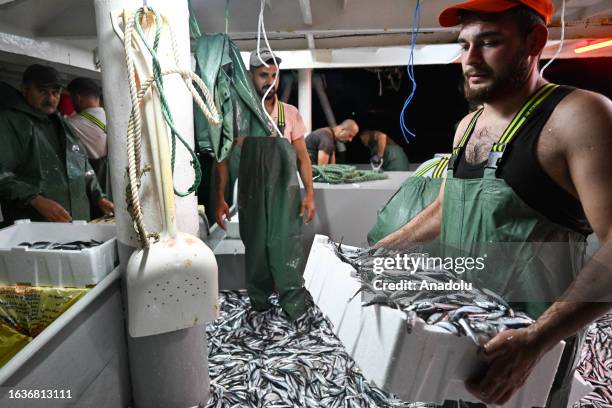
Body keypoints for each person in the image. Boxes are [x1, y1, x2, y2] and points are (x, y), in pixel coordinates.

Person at [375, 1, 612, 406]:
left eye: (489, 42)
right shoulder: (467, 127)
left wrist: (536, 341)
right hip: (458, 336)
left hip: (528, 349)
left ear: (534, 41)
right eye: (464, 44)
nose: (469, 59)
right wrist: (376, 255)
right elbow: (442, 210)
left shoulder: (579, 115)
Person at [214, 49, 316, 321]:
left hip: (286, 196)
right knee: (256, 249)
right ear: (250, 77)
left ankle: (294, 307)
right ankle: (259, 305)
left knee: (286, 249)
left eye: (274, 76)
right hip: (252, 197)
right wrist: (220, 198)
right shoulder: (238, 113)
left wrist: (310, 196)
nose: (269, 81)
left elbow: (303, 158)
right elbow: (222, 157)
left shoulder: (289, 114)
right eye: (262, 75)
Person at [0, 65, 113, 227]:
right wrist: (36, 200)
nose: (51, 98)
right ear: (24, 89)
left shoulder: (62, 123)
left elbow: (83, 164)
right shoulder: (9, 122)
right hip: (36, 227)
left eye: (55, 92)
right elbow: (2, 175)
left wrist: (98, 196)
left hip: (79, 223)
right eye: (43, 91)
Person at [65, 77, 110, 197]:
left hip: (93, 190)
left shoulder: (71, 123)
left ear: (78, 98)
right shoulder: (113, 118)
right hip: (114, 185)